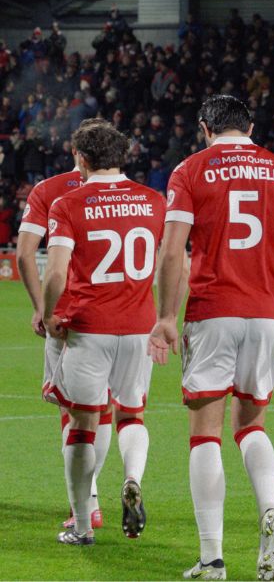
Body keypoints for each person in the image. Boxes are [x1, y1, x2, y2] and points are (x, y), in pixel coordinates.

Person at [150, 95, 274, 581]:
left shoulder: (190, 170)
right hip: (268, 315)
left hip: (213, 311)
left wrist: (165, 316)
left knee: (205, 432)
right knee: (251, 424)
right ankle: (269, 507)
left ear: (205, 128)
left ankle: (212, 558)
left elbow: (172, 250)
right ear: (250, 127)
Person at [41, 118, 165, 545]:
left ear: (80, 157)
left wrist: (48, 313)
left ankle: (81, 526)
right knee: (132, 414)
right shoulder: (153, 201)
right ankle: (132, 478)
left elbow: (56, 271)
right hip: (139, 326)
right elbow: (174, 263)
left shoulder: (69, 204)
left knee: (82, 423)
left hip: (89, 327)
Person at [15, 142, 114, 533]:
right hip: (117, 315)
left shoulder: (49, 190)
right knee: (105, 409)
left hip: (66, 316)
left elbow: (25, 254)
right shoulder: (131, 194)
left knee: (72, 411)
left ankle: (87, 505)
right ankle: (103, 492)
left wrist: (41, 307)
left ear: (76, 151)